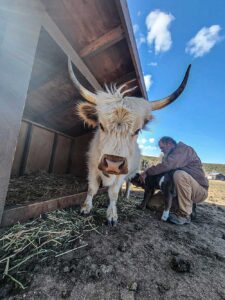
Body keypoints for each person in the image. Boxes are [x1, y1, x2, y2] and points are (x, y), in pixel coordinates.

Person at [140, 136, 208, 225]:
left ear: (170, 144)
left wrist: (147, 172)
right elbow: (164, 167)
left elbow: (166, 166)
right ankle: (182, 208)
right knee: (151, 204)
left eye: (162, 147)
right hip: (176, 192)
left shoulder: (183, 150)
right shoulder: (170, 156)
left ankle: (184, 215)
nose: (161, 150)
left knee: (179, 174)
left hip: (199, 191)